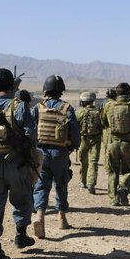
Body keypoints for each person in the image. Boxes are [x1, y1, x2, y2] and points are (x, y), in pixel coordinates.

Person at [0, 68, 37, 259]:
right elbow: (31, 136)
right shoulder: (19, 106)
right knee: (22, 200)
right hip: (17, 164)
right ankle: (21, 236)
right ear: (12, 87)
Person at [31, 75, 80, 236]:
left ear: (46, 90)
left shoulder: (38, 108)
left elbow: (31, 130)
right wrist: (70, 148)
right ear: (61, 91)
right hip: (60, 153)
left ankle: (40, 216)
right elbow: (75, 134)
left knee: (41, 186)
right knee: (61, 185)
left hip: (42, 153)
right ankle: (62, 218)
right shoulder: (67, 108)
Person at [100, 82, 130, 206]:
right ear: (129, 93)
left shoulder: (108, 106)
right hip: (129, 144)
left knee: (112, 171)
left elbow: (103, 121)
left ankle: (114, 199)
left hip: (112, 143)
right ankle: (123, 187)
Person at [75, 91, 103, 194]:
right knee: (93, 162)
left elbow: (74, 126)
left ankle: (83, 181)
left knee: (83, 161)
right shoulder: (99, 112)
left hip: (83, 139)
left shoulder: (79, 112)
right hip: (96, 139)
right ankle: (91, 183)